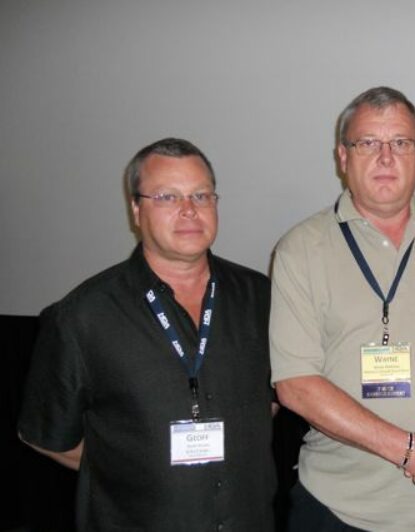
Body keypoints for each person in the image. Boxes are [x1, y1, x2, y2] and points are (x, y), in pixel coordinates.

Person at [18, 138, 276, 531]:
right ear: (136, 210)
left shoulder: (261, 297)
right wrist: (132, 468)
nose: (189, 210)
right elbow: (46, 434)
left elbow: (272, 399)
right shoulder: (83, 316)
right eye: (167, 197)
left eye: (201, 195)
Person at [269, 86, 415, 532]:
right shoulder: (301, 248)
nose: (386, 157)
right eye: (368, 143)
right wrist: (411, 451)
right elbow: (295, 385)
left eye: (401, 143)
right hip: (339, 505)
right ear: (342, 156)